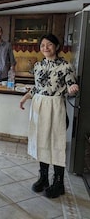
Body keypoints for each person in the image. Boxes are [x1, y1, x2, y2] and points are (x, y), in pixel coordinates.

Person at [20, 34, 79, 199]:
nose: (45, 47)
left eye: (49, 44)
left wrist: (73, 87)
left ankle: (59, 183)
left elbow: (70, 84)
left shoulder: (66, 66)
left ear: (57, 46)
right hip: (39, 107)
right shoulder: (38, 66)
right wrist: (25, 97)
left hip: (55, 108)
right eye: (43, 45)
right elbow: (37, 87)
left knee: (56, 144)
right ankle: (43, 178)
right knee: (42, 142)